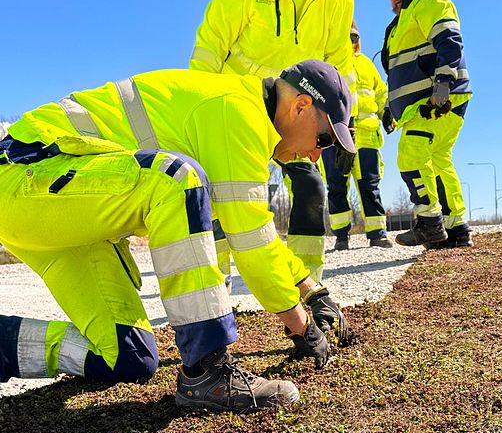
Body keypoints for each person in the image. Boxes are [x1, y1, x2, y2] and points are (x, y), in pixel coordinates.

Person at [0, 60, 354, 414]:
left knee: (129, 356)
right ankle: (206, 373)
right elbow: (252, 245)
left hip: (67, 214)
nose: (315, 155)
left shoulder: (242, 118)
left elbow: (254, 230)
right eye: (324, 139)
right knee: (177, 179)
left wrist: (313, 292)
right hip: (25, 177)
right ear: (300, 106)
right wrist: (302, 326)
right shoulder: (237, 112)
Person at [190, 0, 356, 282]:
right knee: (222, 195)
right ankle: (218, 284)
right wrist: (199, 109)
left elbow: (339, 71)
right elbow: (212, 43)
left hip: (294, 116)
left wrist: (348, 128)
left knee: (312, 187)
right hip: (237, 108)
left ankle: (308, 285)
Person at [380, 0, 472, 248]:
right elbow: (398, 71)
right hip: (433, 101)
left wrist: (443, 82)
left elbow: (449, 40)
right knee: (438, 159)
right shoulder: (401, 21)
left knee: (411, 154)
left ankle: (429, 223)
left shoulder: (428, 2)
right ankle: (456, 227)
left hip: (436, 100)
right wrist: (389, 106)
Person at [324, 20, 393, 250]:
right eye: (348, 37)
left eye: (355, 37)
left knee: (369, 184)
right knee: (336, 185)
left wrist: (387, 111)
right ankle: (341, 236)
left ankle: (377, 234)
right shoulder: (328, 63)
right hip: (336, 135)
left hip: (366, 136)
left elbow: (381, 92)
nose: (353, 41)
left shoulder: (366, 65)